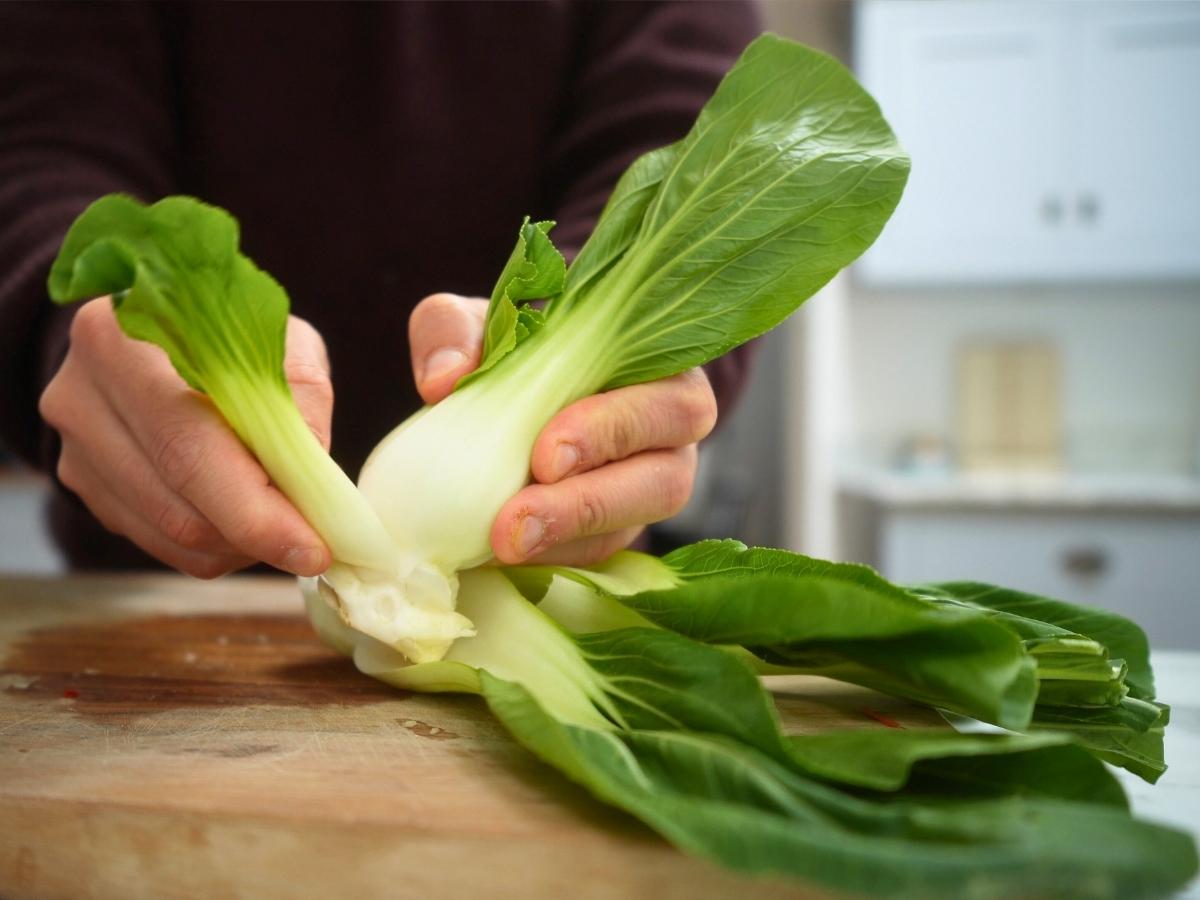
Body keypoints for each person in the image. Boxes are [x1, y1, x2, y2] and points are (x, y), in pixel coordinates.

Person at [0, 2, 760, 578]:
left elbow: (699, 153)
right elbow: (39, 143)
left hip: (552, 570)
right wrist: (67, 323)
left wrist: (581, 349)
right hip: (155, 601)